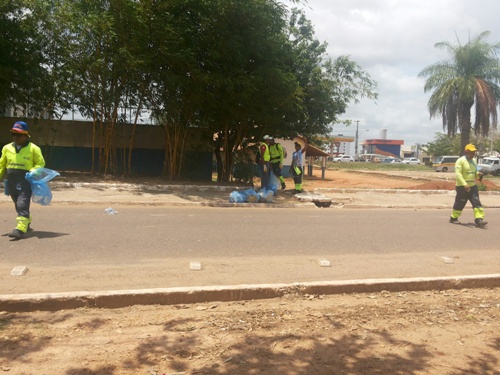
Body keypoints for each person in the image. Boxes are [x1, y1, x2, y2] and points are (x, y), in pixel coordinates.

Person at [0, 121, 46, 239]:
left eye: (19, 135)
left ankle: (20, 228)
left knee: (22, 203)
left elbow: (40, 163)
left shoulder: (34, 149)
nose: (15, 137)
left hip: (25, 180)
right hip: (11, 180)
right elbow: (2, 165)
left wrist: (33, 172)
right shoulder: (7, 148)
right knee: (17, 203)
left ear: (26, 135)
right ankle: (26, 220)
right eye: (13, 134)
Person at [449, 143, 487, 228]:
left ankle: (479, 220)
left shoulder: (474, 161)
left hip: (472, 186)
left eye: (474, 152)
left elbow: (475, 173)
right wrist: (464, 184)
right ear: (466, 152)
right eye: (471, 152)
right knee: (460, 203)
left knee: (477, 203)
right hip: (462, 187)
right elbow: (458, 174)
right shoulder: (460, 161)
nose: (473, 154)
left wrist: (478, 174)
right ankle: (453, 218)